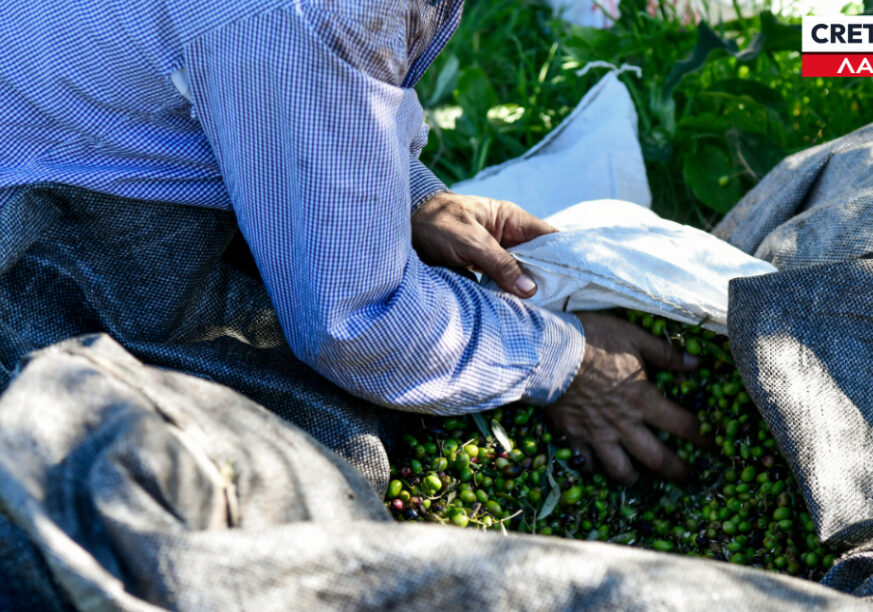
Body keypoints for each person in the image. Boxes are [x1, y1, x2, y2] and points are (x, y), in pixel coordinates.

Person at [0, 0, 701, 484]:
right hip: (50, 225)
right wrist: (569, 361)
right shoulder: (314, 16)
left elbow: (270, 88)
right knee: (315, 463)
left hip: (82, 128)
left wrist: (412, 195)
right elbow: (353, 325)